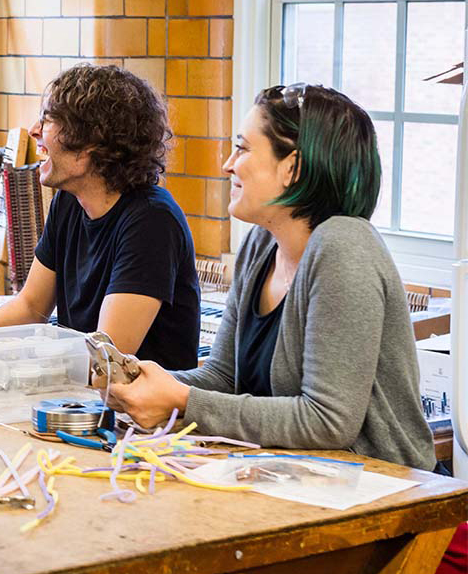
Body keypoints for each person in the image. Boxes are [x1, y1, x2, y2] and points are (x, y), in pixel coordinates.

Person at [106, 83, 436, 471]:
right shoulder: (261, 244)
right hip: (298, 481)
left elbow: (329, 423)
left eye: (243, 149)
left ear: (291, 168)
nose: (228, 164)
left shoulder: (344, 248)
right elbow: (224, 377)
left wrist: (180, 399)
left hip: (386, 493)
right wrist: (145, 383)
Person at [0, 64, 200, 370]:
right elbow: (31, 306)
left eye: (48, 119)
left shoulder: (151, 221)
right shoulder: (70, 203)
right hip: (85, 401)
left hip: (147, 415)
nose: (34, 130)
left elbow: (107, 356)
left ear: (89, 145)